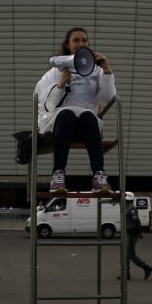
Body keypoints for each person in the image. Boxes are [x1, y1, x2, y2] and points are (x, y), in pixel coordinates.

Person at [35, 27, 116, 194]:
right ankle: (58, 173)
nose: (81, 44)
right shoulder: (55, 71)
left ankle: (99, 175)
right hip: (62, 124)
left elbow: (107, 98)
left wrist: (107, 72)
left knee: (88, 116)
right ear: (67, 44)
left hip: (86, 125)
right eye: (76, 40)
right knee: (67, 114)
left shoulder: (96, 71)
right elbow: (45, 104)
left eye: (84, 40)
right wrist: (61, 84)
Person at [122, 192, 152, 280]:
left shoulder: (131, 208)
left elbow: (137, 221)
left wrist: (140, 233)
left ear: (127, 199)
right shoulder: (127, 207)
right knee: (126, 254)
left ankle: (146, 267)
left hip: (132, 233)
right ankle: (126, 273)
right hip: (128, 232)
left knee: (131, 254)